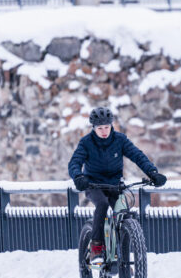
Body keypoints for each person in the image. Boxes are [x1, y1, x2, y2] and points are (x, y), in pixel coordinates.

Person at [68, 107, 167, 262]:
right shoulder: (86, 142)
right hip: (93, 185)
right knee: (102, 204)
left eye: (106, 127)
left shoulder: (119, 140)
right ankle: (96, 248)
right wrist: (78, 176)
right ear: (94, 128)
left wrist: (152, 173)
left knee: (123, 212)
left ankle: (123, 258)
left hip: (115, 185)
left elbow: (137, 156)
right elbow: (74, 163)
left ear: (111, 125)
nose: (104, 131)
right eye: (100, 128)